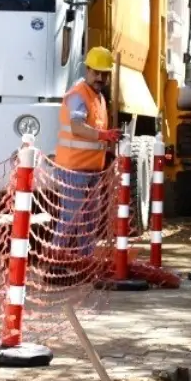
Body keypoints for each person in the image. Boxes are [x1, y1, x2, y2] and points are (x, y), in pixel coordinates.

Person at [53, 46, 121, 252]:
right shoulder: (78, 96)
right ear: (87, 70)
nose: (99, 77)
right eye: (96, 72)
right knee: (70, 218)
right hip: (73, 168)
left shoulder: (98, 98)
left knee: (89, 221)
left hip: (92, 170)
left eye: (104, 74)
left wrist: (106, 149)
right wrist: (104, 136)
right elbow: (77, 127)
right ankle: (54, 260)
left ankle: (86, 261)